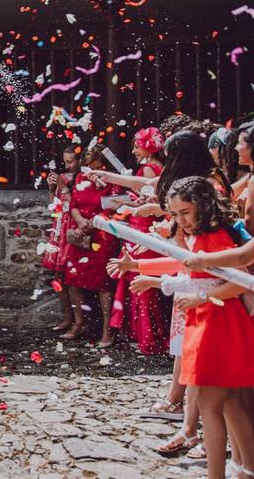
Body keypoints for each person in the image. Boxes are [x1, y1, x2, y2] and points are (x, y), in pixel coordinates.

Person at [113, 176, 254, 479]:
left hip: (219, 324)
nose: (181, 221)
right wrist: (137, 267)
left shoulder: (215, 238)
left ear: (203, 207)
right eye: (175, 215)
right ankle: (244, 468)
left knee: (212, 404)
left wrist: (204, 296)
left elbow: (239, 279)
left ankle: (223, 472)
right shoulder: (200, 238)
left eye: (185, 213)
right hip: (206, 320)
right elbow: (182, 264)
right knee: (228, 404)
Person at [109, 127, 169, 355]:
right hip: (146, 228)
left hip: (142, 230)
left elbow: (146, 205)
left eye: (136, 145)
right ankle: (151, 336)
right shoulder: (159, 168)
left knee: (142, 286)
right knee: (147, 284)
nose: (133, 150)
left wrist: (119, 203)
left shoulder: (147, 170)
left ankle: (149, 339)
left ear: (147, 147)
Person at [61, 144, 121, 347]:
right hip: (80, 231)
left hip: (102, 234)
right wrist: (79, 222)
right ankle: (80, 322)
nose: (92, 171)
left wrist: (95, 222)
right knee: (71, 277)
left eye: (97, 167)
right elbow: (74, 204)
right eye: (89, 167)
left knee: (103, 282)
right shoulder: (81, 177)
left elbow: (115, 207)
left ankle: (107, 329)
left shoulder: (113, 181)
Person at [45, 145, 81, 332]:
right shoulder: (63, 178)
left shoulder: (83, 178)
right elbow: (55, 207)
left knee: (72, 278)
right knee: (58, 277)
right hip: (59, 227)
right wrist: (52, 189)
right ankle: (67, 317)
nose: (67, 165)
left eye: (71, 161)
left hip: (72, 227)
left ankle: (79, 321)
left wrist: (63, 186)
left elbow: (75, 204)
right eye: (65, 161)